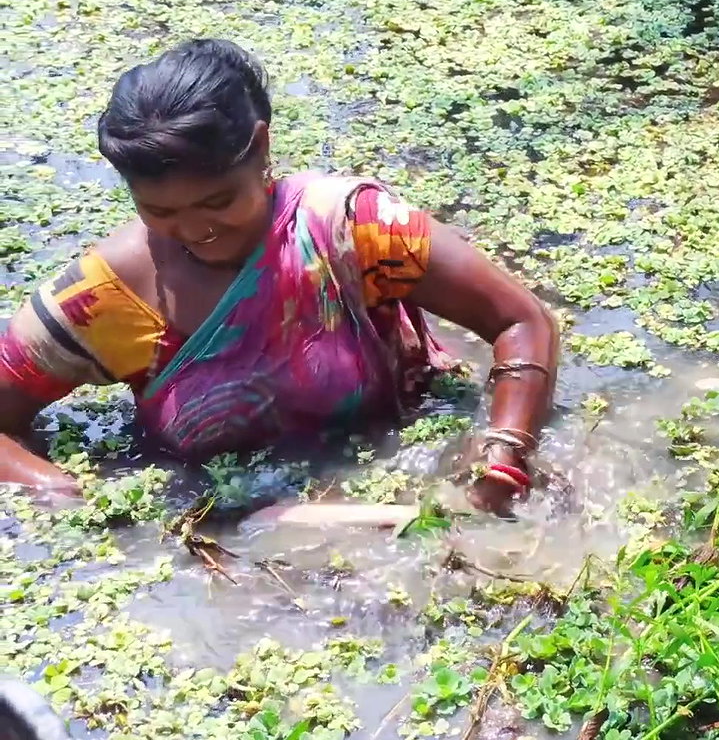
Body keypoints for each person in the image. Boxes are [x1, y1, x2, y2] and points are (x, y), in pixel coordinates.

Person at [0, 39, 558, 516]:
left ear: (262, 146)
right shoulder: (102, 298)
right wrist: (66, 497)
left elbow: (521, 319)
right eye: (160, 211)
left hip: (399, 467)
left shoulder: (350, 231)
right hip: (219, 523)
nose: (195, 230)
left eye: (218, 202)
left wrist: (504, 452)